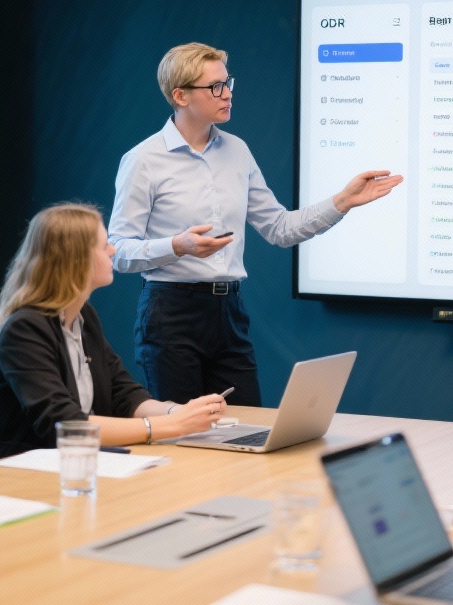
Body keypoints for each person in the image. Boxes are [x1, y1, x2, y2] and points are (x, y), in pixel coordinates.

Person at [107, 42, 403, 406]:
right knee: (183, 430)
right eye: (215, 86)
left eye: (228, 82)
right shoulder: (143, 159)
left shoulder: (237, 150)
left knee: (247, 425)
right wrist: (177, 246)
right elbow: (118, 251)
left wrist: (342, 201)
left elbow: (280, 228)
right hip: (170, 313)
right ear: (180, 95)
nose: (228, 93)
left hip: (228, 312)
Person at [0, 203, 228, 460]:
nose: (113, 250)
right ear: (75, 259)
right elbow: (66, 425)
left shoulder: (84, 316)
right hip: (20, 471)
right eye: (103, 246)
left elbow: (123, 393)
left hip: (76, 463)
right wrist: (172, 425)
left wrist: (180, 413)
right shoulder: (24, 329)